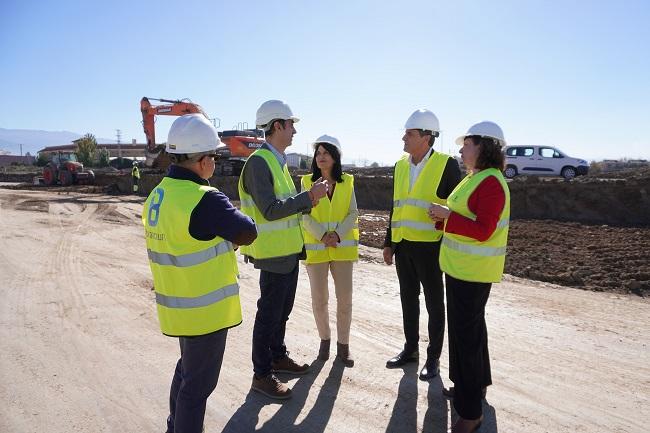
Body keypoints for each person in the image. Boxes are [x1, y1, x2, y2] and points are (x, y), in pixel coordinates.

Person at [142, 114, 257, 433]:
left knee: (186, 372)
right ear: (202, 159)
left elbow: (187, 241)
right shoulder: (204, 199)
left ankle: (173, 425)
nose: (216, 163)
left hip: (179, 307)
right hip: (204, 311)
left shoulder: (158, 196)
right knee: (197, 388)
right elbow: (247, 232)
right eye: (215, 157)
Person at [238, 100, 329, 400]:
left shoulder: (277, 161)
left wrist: (309, 198)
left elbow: (287, 208)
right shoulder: (259, 163)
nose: (294, 130)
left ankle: (278, 356)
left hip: (288, 253)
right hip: (273, 255)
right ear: (277, 126)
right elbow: (269, 210)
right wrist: (307, 197)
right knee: (269, 315)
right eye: (291, 124)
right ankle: (261, 374)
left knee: (282, 313)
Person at [428, 121, 510, 433]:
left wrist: (447, 217)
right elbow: (460, 218)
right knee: (472, 334)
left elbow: (483, 229)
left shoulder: (490, 182)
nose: (461, 149)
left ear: (485, 147)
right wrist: (442, 219)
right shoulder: (474, 178)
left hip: (472, 274)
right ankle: (470, 388)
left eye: (467, 144)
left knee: (467, 338)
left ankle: (471, 411)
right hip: (460, 269)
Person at [383, 109, 461, 381]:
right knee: (407, 300)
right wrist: (388, 243)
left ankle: (434, 357)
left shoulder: (446, 164)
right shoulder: (400, 165)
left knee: (434, 304)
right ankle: (410, 350)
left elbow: (457, 207)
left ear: (426, 137)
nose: (403, 137)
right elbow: (396, 206)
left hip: (431, 247)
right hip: (404, 245)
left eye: (409, 133)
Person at [300, 135, 359, 367]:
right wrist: (322, 236)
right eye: (318, 153)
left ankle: (343, 346)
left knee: (345, 300)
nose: (321, 157)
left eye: (325, 153)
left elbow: (353, 213)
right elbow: (303, 214)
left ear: (335, 157)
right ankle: (324, 341)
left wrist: (337, 235)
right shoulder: (306, 183)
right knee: (319, 300)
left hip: (341, 249)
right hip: (317, 250)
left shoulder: (348, 182)